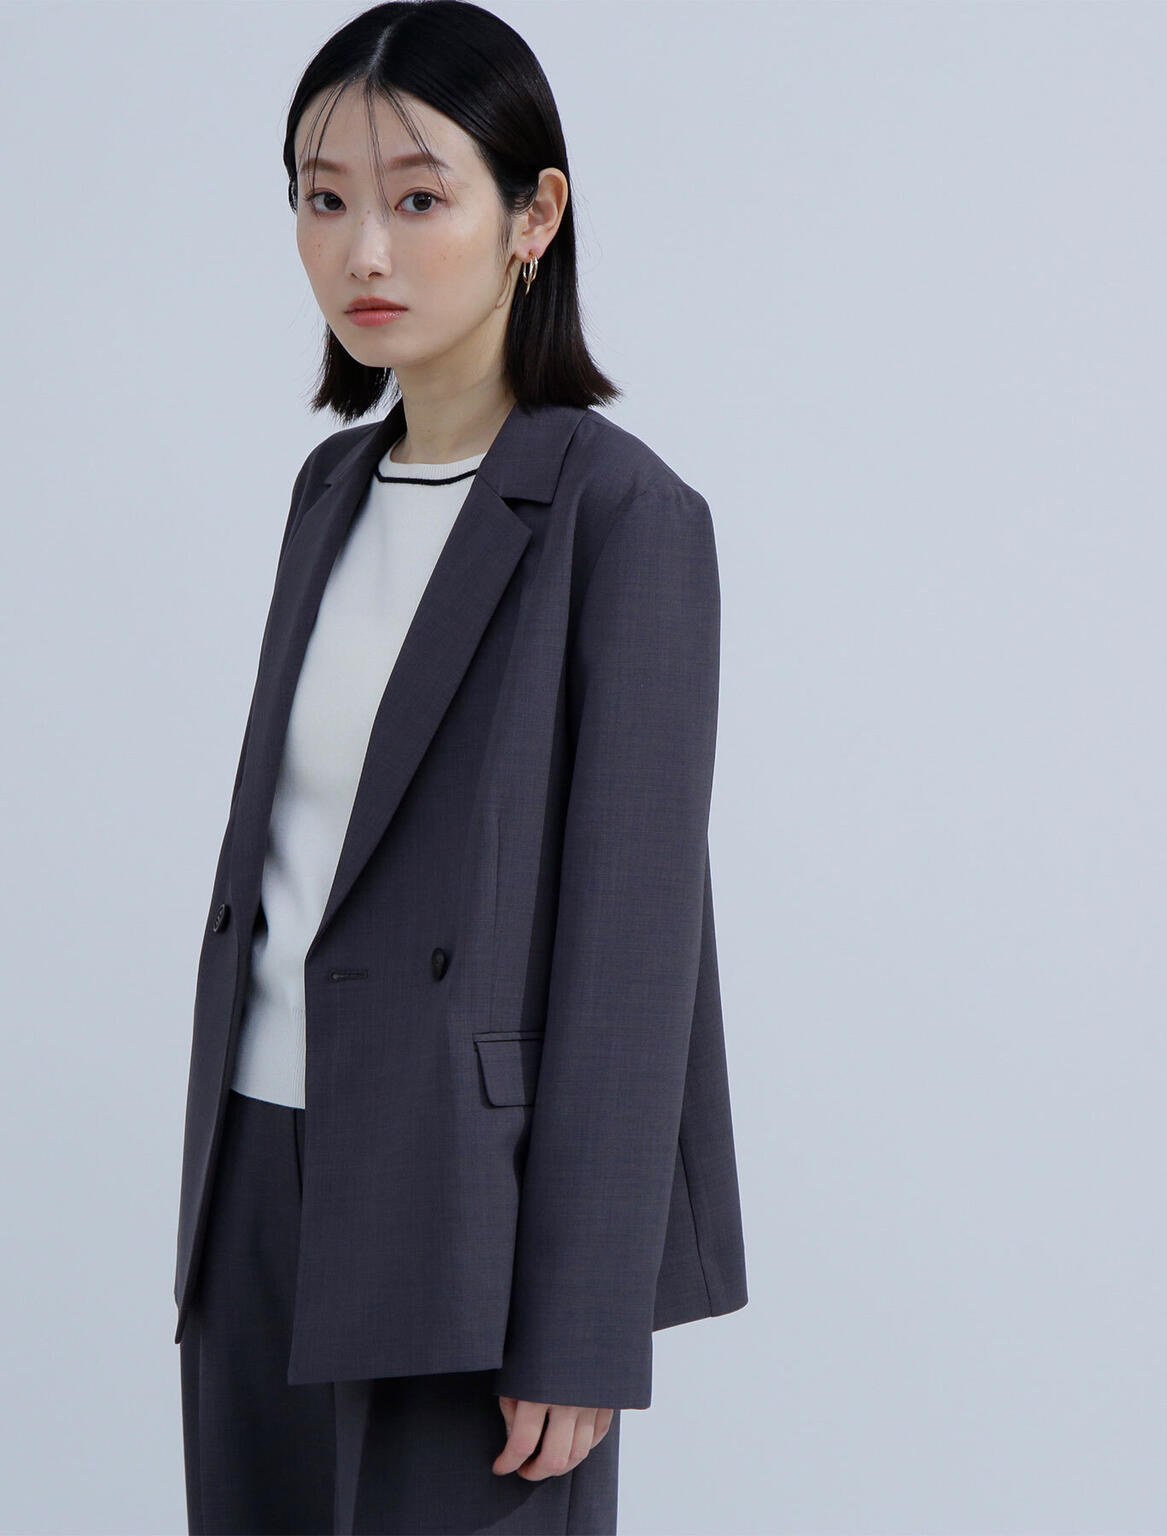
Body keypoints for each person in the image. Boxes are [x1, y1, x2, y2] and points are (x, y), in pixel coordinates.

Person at [173, 3, 748, 1531]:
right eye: (324, 197)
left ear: (533, 215)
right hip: (257, 1176)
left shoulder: (622, 518)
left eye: (419, 197)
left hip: (468, 1222)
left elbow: (634, 958)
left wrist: (583, 1327)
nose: (364, 250)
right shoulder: (330, 492)